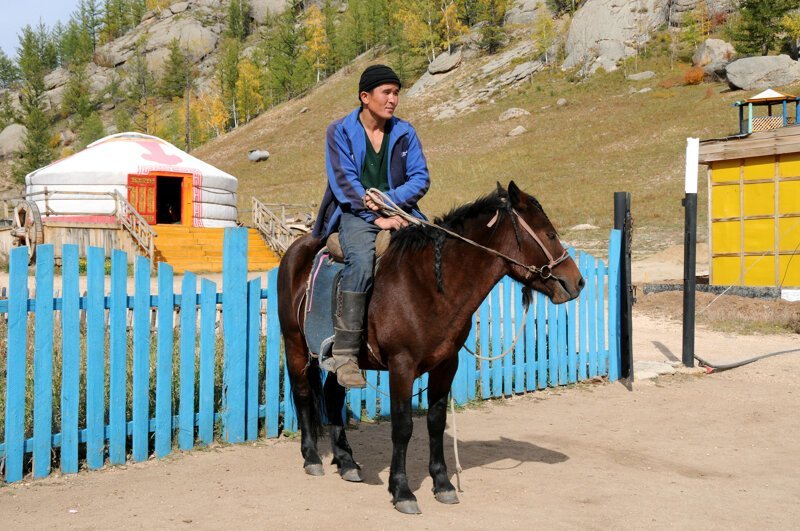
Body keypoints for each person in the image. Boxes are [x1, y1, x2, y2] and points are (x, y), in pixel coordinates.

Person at [311, 64, 431, 388]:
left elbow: (420, 178)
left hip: (401, 211)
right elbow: (344, 183)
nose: (393, 99)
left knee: (432, 249)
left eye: (396, 93)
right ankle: (347, 355)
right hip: (353, 214)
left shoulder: (405, 133)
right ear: (365, 97)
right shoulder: (339, 131)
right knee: (362, 262)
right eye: (386, 93)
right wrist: (375, 215)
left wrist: (388, 201)